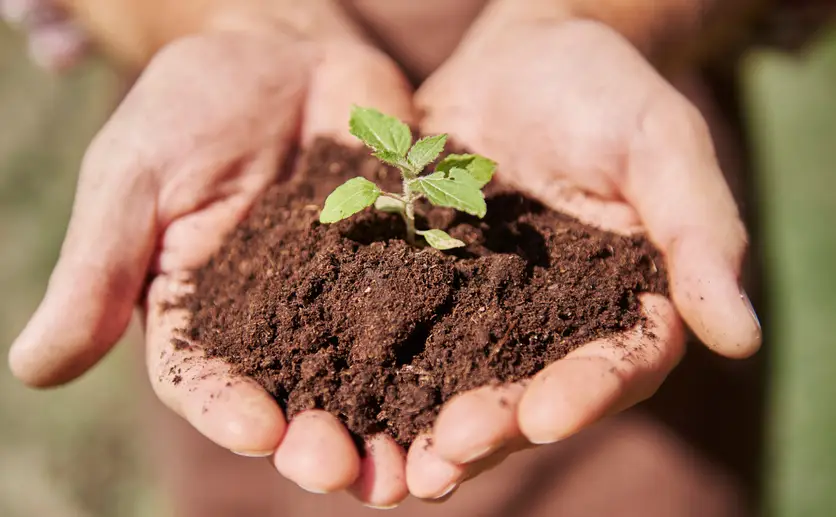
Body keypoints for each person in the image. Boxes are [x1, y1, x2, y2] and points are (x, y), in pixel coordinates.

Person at [4, 0, 829, 514]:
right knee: (253, 454)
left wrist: (594, 14)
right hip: (250, 155)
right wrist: (224, 20)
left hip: (596, 138)